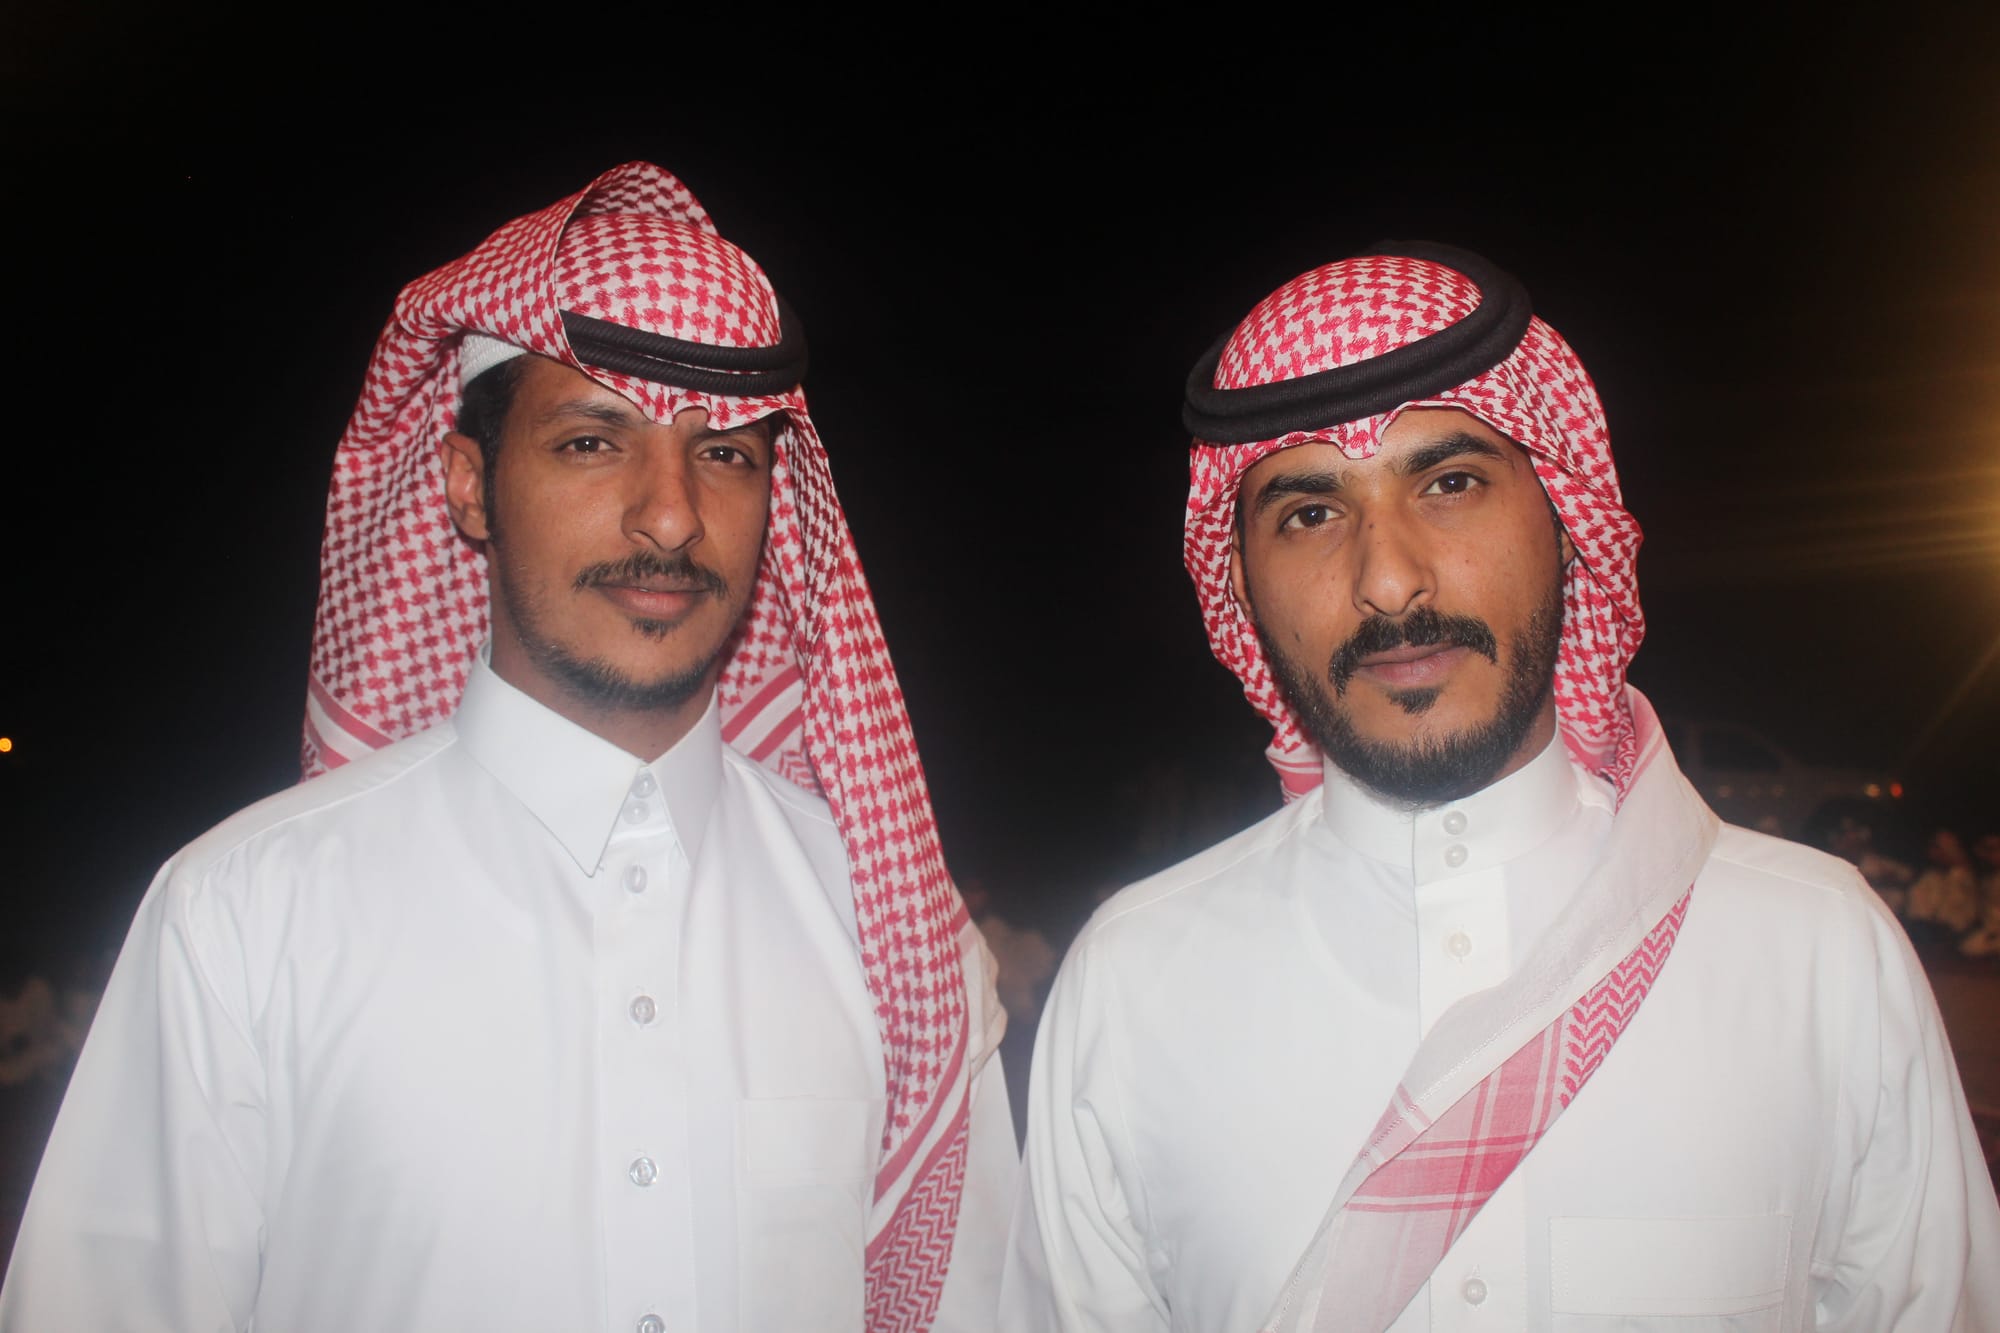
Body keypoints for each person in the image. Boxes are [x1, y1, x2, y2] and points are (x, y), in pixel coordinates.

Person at [0, 162, 1013, 1332]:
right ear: (468, 486)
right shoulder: (244, 917)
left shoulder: (886, 925)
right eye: (591, 442)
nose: (670, 513)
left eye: (725, 452)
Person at [1001, 244, 2000, 1329]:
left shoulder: (1817, 952)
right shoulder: (1132, 987)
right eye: (1309, 513)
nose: (1389, 580)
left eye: (1450, 483)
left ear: (1564, 520)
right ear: (1239, 582)